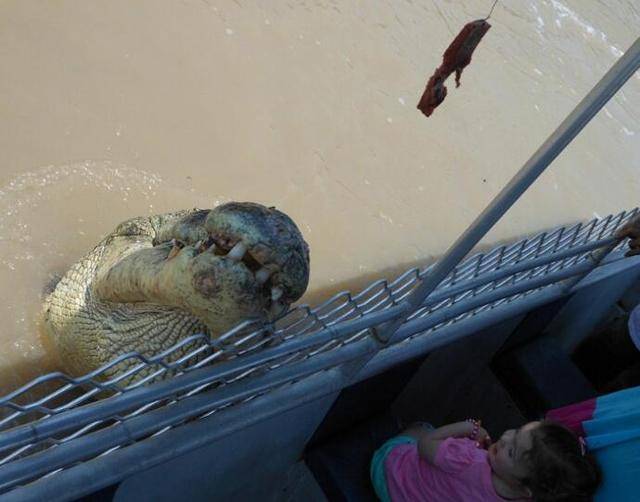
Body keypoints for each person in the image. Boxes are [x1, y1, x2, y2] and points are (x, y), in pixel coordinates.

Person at [370, 419, 601, 501]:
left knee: (422, 428)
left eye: (511, 452)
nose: (506, 437)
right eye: (517, 431)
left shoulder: (467, 458)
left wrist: (468, 428)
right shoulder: (531, 496)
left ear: (528, 487)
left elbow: (425, 445)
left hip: (389, 477)